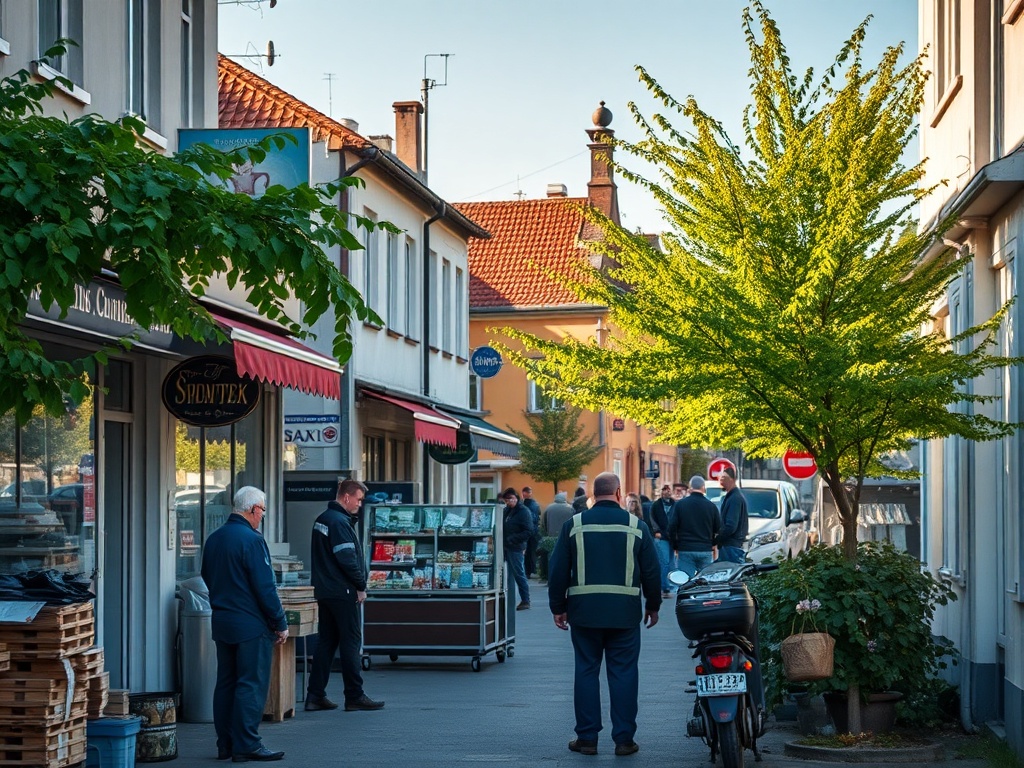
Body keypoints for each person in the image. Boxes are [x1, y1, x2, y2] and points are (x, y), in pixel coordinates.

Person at [548, 472, 662, 757]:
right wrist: (653, 605)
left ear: (593, 495)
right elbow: (651, 570)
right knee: (624, 673)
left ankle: (587, 738)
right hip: (624, 614)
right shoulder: (636, 526)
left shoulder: (574, 525)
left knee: (586, 671)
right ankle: (624, 740)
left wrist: (558, 607)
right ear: (619, 493)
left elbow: (558, 569)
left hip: (584, 613)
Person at [201, 486, 287, 763]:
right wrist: (280, 621)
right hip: (251, 625)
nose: (262, 516)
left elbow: (207, 576)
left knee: (226, 682)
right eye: (263, 511)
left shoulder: (214, 539)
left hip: (223, 621)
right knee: (251, 683)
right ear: (253, 509)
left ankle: (225, 744)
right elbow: (265, 587)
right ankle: (247, 743)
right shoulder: (252, 540)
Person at [305, 479, 385, 713]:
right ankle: (354, 695)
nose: (360, 504)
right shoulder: (339, 522)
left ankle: (315, 695)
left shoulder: (323, 519)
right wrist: (361, 585)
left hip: (325, 591)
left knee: (326, 642)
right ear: (347, 497)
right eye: (358, 500)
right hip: (343, 591)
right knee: (351, 642)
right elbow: (348, 560)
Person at [668, 475, 721, 577]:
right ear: (703, 487)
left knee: (686, 580)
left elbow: (672, 527)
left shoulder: (680, 505)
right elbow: (718, 529)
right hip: (705, 548)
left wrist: (675, 545)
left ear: (690, 487)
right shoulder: (711, 507)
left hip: (685, 548)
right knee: (705, 580)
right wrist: (713, 543)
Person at [502, 487, 533, 610]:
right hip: (507, 546)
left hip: (516, 547)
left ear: (516, 498)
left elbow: (528, 531)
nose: (509, 502)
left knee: (519, 574)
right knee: (510, 574)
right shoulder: (508, 510)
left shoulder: (523, 511)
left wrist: (512, 539)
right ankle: (511, 599)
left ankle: (525, 600)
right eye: (506, 500)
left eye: (511, 499)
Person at [716, 467, 749, 563]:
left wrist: (718, 539)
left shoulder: (734, 498)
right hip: (731, 545)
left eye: (724, 478)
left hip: (731, 547)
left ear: (732, 480)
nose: (721, 481)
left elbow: (731, 525)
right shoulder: (732, 496)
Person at [648, 485, 675, 598]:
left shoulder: (675, 505)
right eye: (664, 490)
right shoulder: (656, 505)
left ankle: (668, 587)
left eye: (668, 490)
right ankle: (664, 588)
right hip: (661, 538)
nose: (666, 492)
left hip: (672, 538)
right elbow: (652, 519)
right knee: (664, 563)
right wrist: (656, 531)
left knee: (671, 563)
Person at [521, 486, 542, 578]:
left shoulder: (524, 505)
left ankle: (527, 571)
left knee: (526, 552)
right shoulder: (535, 504)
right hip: (534, 531)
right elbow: (537, 516)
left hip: (526, 531)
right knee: (532, 551)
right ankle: (531, 570)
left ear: (524, 494)